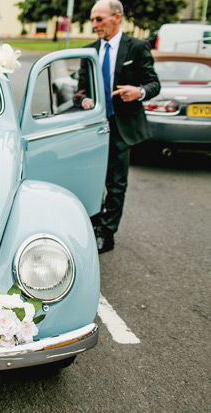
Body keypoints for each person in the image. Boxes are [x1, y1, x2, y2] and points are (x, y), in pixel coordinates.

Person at [76, 0, 160, 253]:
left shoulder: (137, 47)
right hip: (93, 127)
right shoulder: (88, 51)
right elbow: (80, 91)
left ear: (117, 18)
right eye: (92, 19)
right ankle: (90, 225)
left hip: (122, 127)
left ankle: (107, 234)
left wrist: (139, 91)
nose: (94, 25)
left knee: (116, 183)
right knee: (89, 177)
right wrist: (85, 100)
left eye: (99, 19)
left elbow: (153, 84)